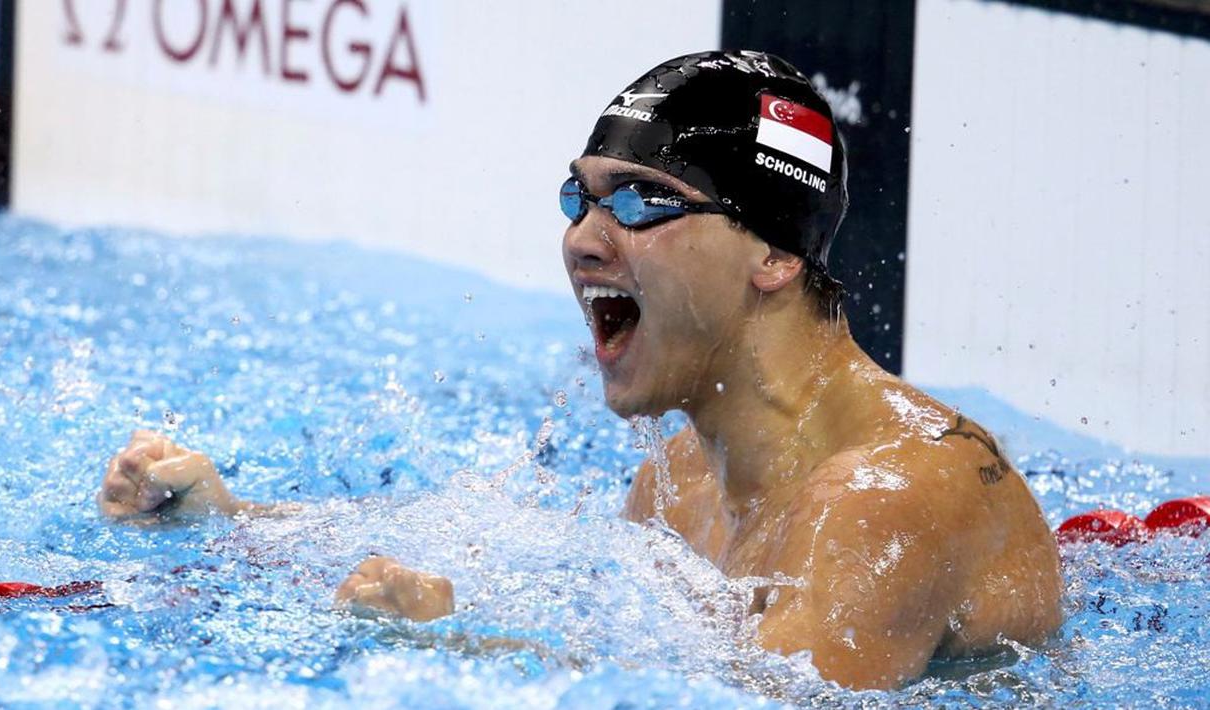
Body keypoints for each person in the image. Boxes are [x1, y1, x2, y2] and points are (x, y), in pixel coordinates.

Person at [97, 50, 1061, 690]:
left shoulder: (892, 495)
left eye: (642, 201)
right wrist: (234, 524)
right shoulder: (681, 479)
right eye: (581, 197)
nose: (585, 240)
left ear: (773, 253)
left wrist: (462, 650)